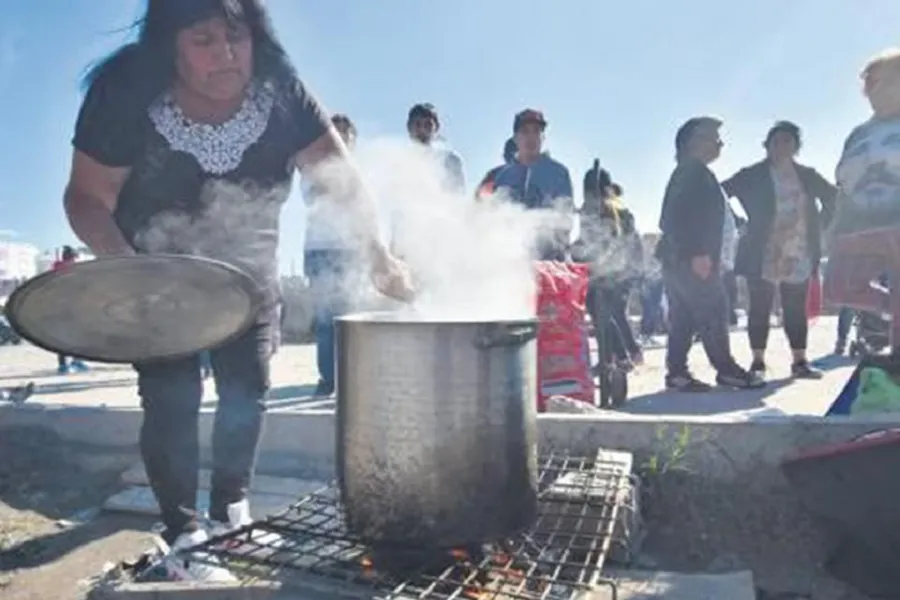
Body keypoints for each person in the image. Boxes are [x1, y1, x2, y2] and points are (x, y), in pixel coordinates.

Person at [62, 0, 411, 582]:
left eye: (235, 37)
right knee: (171, 398)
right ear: (169, 47)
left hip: (248, 277)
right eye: (202, 39)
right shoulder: (126, 91)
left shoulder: (281, 89)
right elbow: (86, 198)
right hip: (159, 280)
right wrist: (128, 269)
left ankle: (229, 512)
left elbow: (343, 180)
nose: (225, 54)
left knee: (248, 391)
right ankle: (183, 539)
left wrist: (379, 253)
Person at [655, 116, 764, 391]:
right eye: (713, 138)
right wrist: (698, 253)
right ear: (693, 142)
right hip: (692, 259)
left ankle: (677, 373)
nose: (720, 143)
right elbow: (676, 217)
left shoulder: (692, 172)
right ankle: (726, 370)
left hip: (680, 259)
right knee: (713, 309)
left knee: (684, 316)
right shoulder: (692, 172)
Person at [722, 121, 837, 379]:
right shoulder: (752, 174)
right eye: (776, 141)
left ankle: (799, 361)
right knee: (759, 306)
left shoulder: (807, 175)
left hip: (798, 250)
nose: (781, 146)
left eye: (788, 141)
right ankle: (758, 362)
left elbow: (833, 197)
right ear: (767, 145)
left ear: (796, 146)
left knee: (795, 307)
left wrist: (820, 225)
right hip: (762, 251)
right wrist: (738, 222)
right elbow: (719, 193)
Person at [825, 49, 900, 353]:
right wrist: (834, 227)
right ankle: (892, 309)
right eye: (869, 83)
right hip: (860, 224)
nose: (872, 89)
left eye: (882, 81)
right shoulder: (859, 134)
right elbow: (843, 181)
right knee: (838, 287)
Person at [303, 114, 361, 398]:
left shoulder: (361, 169)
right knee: (326, 320)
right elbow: (316, 194)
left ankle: (351, 380)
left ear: (352, 139)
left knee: (351, 318)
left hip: (351, 250)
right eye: (334, 133)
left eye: (345, 133)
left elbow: (364, 207)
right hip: (319, 250)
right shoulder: (312, 168)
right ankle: (327, 380)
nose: (339, 138)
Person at [577, 163, 644, 368]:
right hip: (624, 269)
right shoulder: (619, 206)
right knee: (614, 312)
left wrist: (583, 257)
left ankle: (617, 356)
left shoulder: (598, 207)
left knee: (602, 312)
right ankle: (628, 353)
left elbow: (601, 240)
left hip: (610, 270)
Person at [490, 109, 574, 260]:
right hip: (510, 261)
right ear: (515, 138)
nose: (531, 137)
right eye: (525, 131)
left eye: (536, 131)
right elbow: (494, 220)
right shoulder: (502, 177)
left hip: (551, 262)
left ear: (543, 137)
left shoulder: (559, 172)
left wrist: (536, 223)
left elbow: (565, 219)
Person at [406, 102, 466, 193]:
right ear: (409, 128)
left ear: (436, 128)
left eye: (428, 125)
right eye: (417, 125)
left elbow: (459, 195)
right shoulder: (398, 162)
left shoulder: (450, 160)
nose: (422, 130)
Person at [51, 246, 90, 374]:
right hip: (64, 308)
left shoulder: (62, 270)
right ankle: (65, 364)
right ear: (70, 258)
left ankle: (74, 361)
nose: (75, 261)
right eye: (74, 259)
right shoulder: (64, 270)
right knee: (66, 337)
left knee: (75, 335)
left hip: (70, 307)